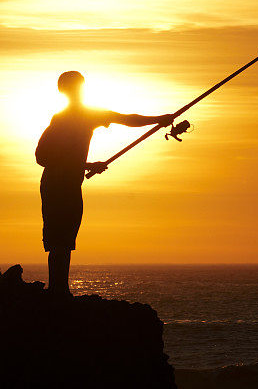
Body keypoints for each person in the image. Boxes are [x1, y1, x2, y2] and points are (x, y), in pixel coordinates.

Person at [35, 70, 173, 296]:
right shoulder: (64, 119)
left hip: (67, 183)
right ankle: (57, 290)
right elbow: (41, 157)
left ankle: (59, 289)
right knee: (60, 238)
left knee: (65, 237)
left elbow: (126, 118)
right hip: (56, 185)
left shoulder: (84, 115)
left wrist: (158, 119)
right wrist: (85, 165)